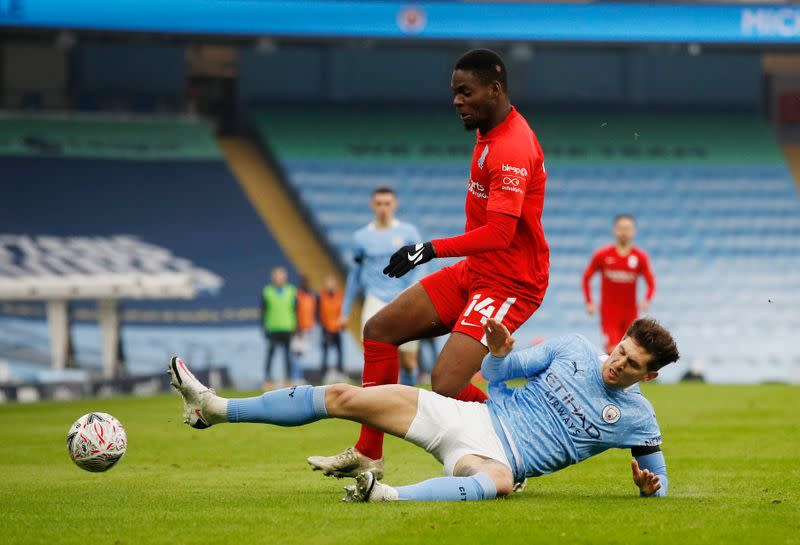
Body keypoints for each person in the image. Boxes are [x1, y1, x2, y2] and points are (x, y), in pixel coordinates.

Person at [308, 48, 550, 479]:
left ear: (494, 90)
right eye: (454, 92)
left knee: (447, 384)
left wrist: (429, 248)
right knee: (380, 331)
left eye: (466, 92)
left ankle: (522, 435)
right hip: (479, 271)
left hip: (509, 282)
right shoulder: (490, 130)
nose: (457, 100)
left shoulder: (511, 147)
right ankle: (369, 453)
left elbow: (500, 235)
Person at [168, 317, 678, 502]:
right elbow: (496, 378)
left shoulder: (639, 420)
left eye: (631, 365)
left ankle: (384, 493)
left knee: (499, 483)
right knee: (347, 397)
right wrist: (499, 353)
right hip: (471, 419)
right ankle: (214, 407)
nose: (616, 364)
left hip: (498, 462)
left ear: (649, 375)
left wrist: (648, 488)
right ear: (617, 340)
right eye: (619, 351)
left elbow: (660, 483)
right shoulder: (572, 349)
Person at [339, 186, 424, 388]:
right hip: (375, 299)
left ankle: (408, 403)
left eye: (387, 203)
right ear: (372, 205)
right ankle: (378, 405)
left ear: (395, 205)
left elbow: (422, 265)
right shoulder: (361, 237)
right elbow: (355, 275)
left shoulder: (409, 233)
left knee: (409, 362)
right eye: (379, 203)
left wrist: (415, 291)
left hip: (404, 299)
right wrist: (344, 311)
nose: (383, 208)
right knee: (374, 358)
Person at [583, 214, 656, 354]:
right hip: (609, 312)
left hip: (630, 311)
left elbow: (651, 282)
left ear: (633, 231)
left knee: (630, 348)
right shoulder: (603, 255)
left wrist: (647, 299)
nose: (624, 232)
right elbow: (586, 277)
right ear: (615, 230)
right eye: (621, 228)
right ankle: (607, 374)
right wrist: (589, 302)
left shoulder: (640, 257)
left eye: (628, 228)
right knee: (613, 349)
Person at [261, 266, 300, 389]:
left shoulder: (291, 290)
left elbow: (296, 310)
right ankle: (268, 380)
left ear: (285, 277)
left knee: (288, 356)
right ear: (273, 278)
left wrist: (296, 326)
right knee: (270, 355)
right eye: (277, 276)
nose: (279, 278)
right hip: (273, 328)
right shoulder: (267, 291)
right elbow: (263, 310)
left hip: (288, 327)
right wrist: (264, 326)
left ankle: (288, 379)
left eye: (281, 276)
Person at [318, 274, 345, 383]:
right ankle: (324, 375)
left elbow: (342, 311)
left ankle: (340, 373)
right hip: (326, 328)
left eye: (332, 283)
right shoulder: (321, 296)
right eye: (328, 283)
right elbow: (320, 312)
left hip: (337, 328)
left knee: (340, 352)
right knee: (325, 352)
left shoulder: (339, 295)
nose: (330, 285)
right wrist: (324, 325)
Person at [292, 276, 317, 369]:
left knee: (304, 352)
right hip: (299, 329)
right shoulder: (297, 295)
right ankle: (296, 376)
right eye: (304, 282)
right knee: (297, 353)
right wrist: (296, 327)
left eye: (307, 283)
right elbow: (294, 311)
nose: (306, 285)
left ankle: (299, 375)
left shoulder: (312, 296)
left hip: (308, 328)